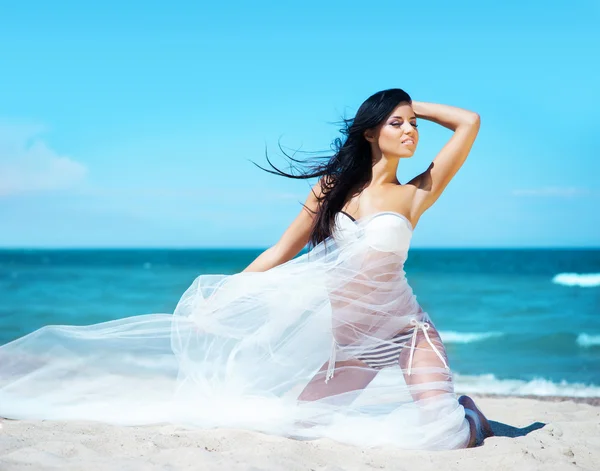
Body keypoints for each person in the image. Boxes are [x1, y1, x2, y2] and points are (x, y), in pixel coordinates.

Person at [0, 88, 493, 449]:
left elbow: (468, 121)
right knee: (298, 427)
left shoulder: (416, 193)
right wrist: (227, 294)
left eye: (414, 125)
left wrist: (405, 102)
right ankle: (454, 407)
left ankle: (468, 413)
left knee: (444, 435)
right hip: (349, 346)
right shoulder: (331, 189)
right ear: (370, 132)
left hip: (406, 333)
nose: (410, 132)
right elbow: (280, 252)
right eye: (397, 124)